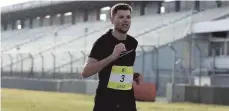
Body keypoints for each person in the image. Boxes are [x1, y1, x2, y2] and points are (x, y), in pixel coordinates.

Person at [81, 3, 143, 111]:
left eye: (128, 17)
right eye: (121, 17)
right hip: (106, 102)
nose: (125, 20)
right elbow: (85, 72)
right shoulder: (102, 42)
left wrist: (133, 76)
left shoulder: (133, 43)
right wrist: (112, 57)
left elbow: (119, 69)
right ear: (112, 20)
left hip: (127, 102)